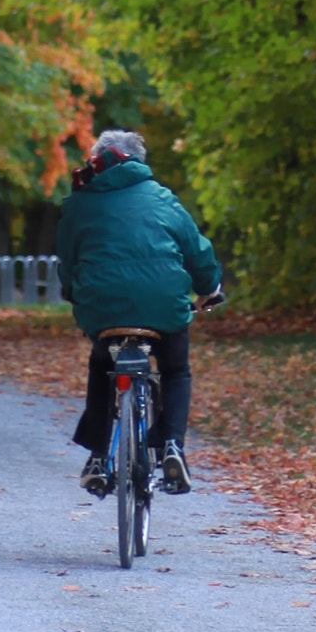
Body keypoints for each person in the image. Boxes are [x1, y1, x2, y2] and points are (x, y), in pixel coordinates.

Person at [56, 128, 222, 497]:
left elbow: (68, 261)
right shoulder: (163, 198)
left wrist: (73, 291)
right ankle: (172, 447)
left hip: (103, 307)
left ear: (99, 163)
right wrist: (210, 288)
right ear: (139, 163)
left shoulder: (80, 203)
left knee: (102, 366)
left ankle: (99, 457)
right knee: (176, 369)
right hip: (163, 305)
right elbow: (197, 251)